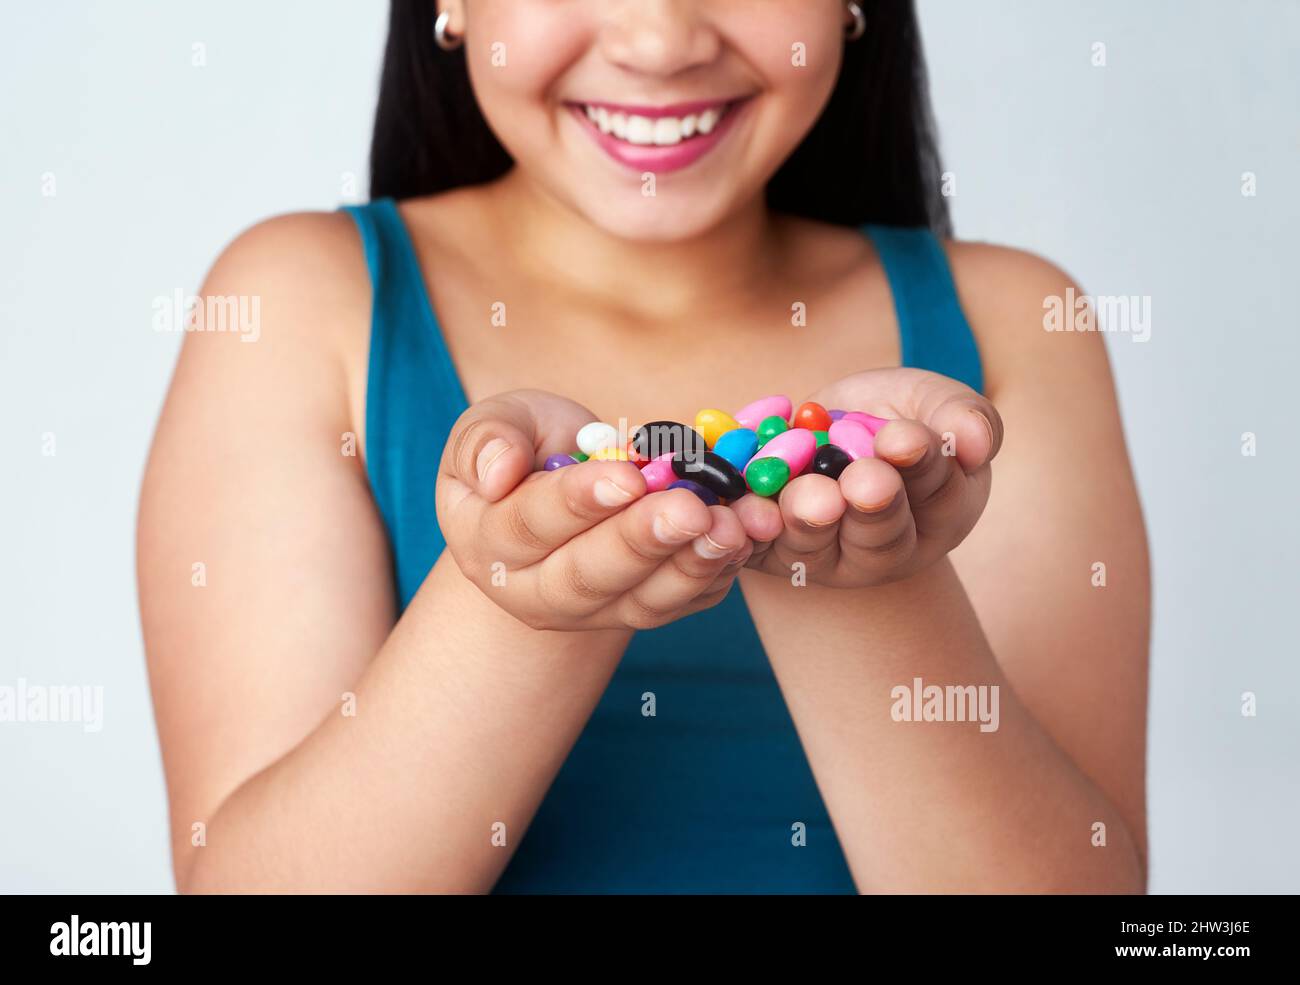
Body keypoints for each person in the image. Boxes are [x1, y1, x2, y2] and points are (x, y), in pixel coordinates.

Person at [138, 0, 1150, 893]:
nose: (659, 40)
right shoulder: (303, 306)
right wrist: (527, 604)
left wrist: (862, 577)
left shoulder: (1013, 323)